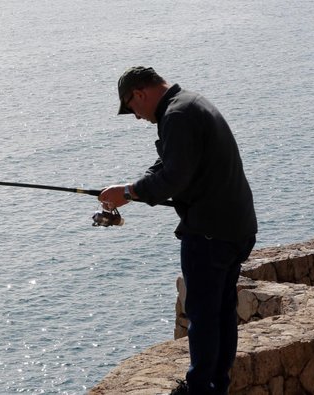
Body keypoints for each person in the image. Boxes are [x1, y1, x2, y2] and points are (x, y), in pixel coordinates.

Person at [98, 67, 257, 395]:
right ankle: (217, 384)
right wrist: (132, 185)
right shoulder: (189, 104)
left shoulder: (178, 115)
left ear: (139, 93)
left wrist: (127, 193)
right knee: (222, 312)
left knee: (202, 315)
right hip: (235, 225)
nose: (136, 117)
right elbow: (171, 164)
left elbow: (174, 178)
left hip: (210, 233)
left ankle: (200, 388)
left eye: (131, 108)